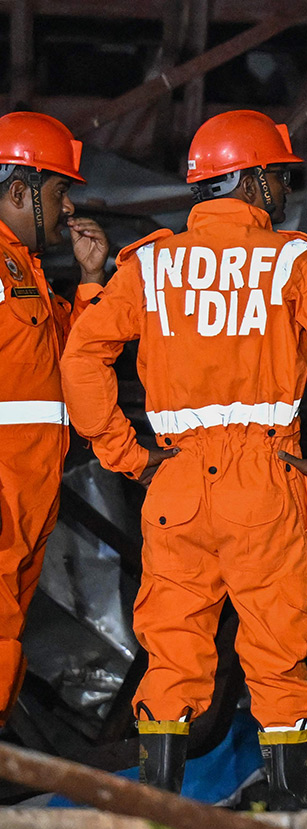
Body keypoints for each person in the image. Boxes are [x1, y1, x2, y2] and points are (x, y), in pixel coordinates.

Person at [60, 110, 307, 809]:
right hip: (266, 479)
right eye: (278, 179)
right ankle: (290, 820)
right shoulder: (294, 260)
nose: (283, 193)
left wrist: (125, 454)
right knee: (277, 650)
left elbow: (83, 356)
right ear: (255, 181)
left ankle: (157, 821)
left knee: (171, 651)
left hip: (174, 480)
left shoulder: (149, 263)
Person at [0, 111, 108, 730]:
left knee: (6, 640)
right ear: (19, 191)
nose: (67, 208)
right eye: (57, 190)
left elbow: (78, 359)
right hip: (7, 489)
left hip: (29, 495)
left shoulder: (30, 277)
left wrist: (92, 282)